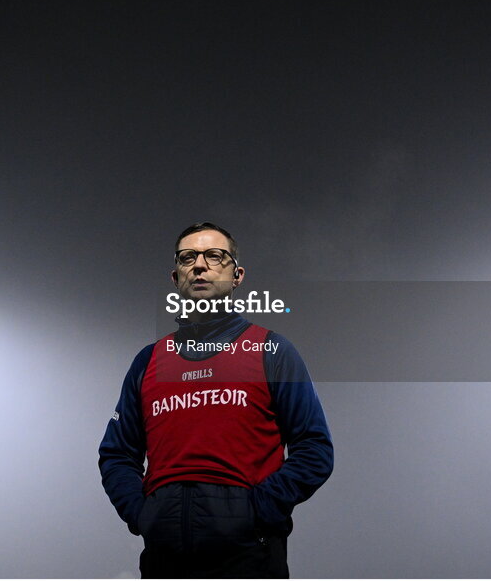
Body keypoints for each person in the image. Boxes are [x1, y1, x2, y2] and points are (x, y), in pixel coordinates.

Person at [98, 222, 334, 578]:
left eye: (215, 256)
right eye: (187, 257)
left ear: (237, 275)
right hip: (165, 560)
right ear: (175, 276)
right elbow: (117, 454)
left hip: (249, 558)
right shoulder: (148, 362)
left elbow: (315, 449)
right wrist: (146, 516)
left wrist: (255, 511)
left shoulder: (271, 350)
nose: (200, 265)